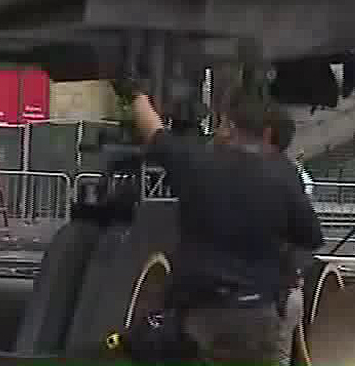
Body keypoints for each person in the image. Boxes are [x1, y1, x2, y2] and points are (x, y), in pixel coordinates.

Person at [131, 89, 322, 365]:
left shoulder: (198, 161)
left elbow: (155, 134)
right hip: (255, 310)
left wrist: (135, 94)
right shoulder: (284, 174)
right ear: (267, 134)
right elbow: (311, 236)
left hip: (197, 310)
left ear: (231, 127)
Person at [265, 106, 314, 366]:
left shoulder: (263, 175)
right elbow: (310, 237)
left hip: (266, 292)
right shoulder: (296, 176)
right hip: (289, 287)